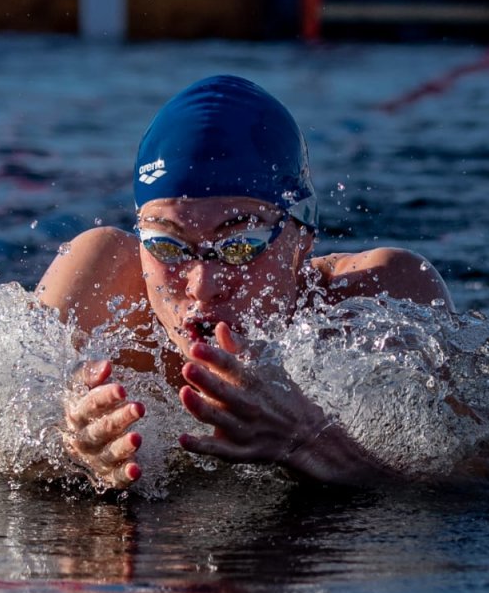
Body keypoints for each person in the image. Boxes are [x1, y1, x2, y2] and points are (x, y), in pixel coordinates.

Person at [36, 75, 454, 490]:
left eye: (239, 245)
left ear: (301, 237)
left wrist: (314, 442)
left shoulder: (378, 304)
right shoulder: (97, 280)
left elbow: (487, 481)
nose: (202, 286)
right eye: (167, 245)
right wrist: (69, 446)